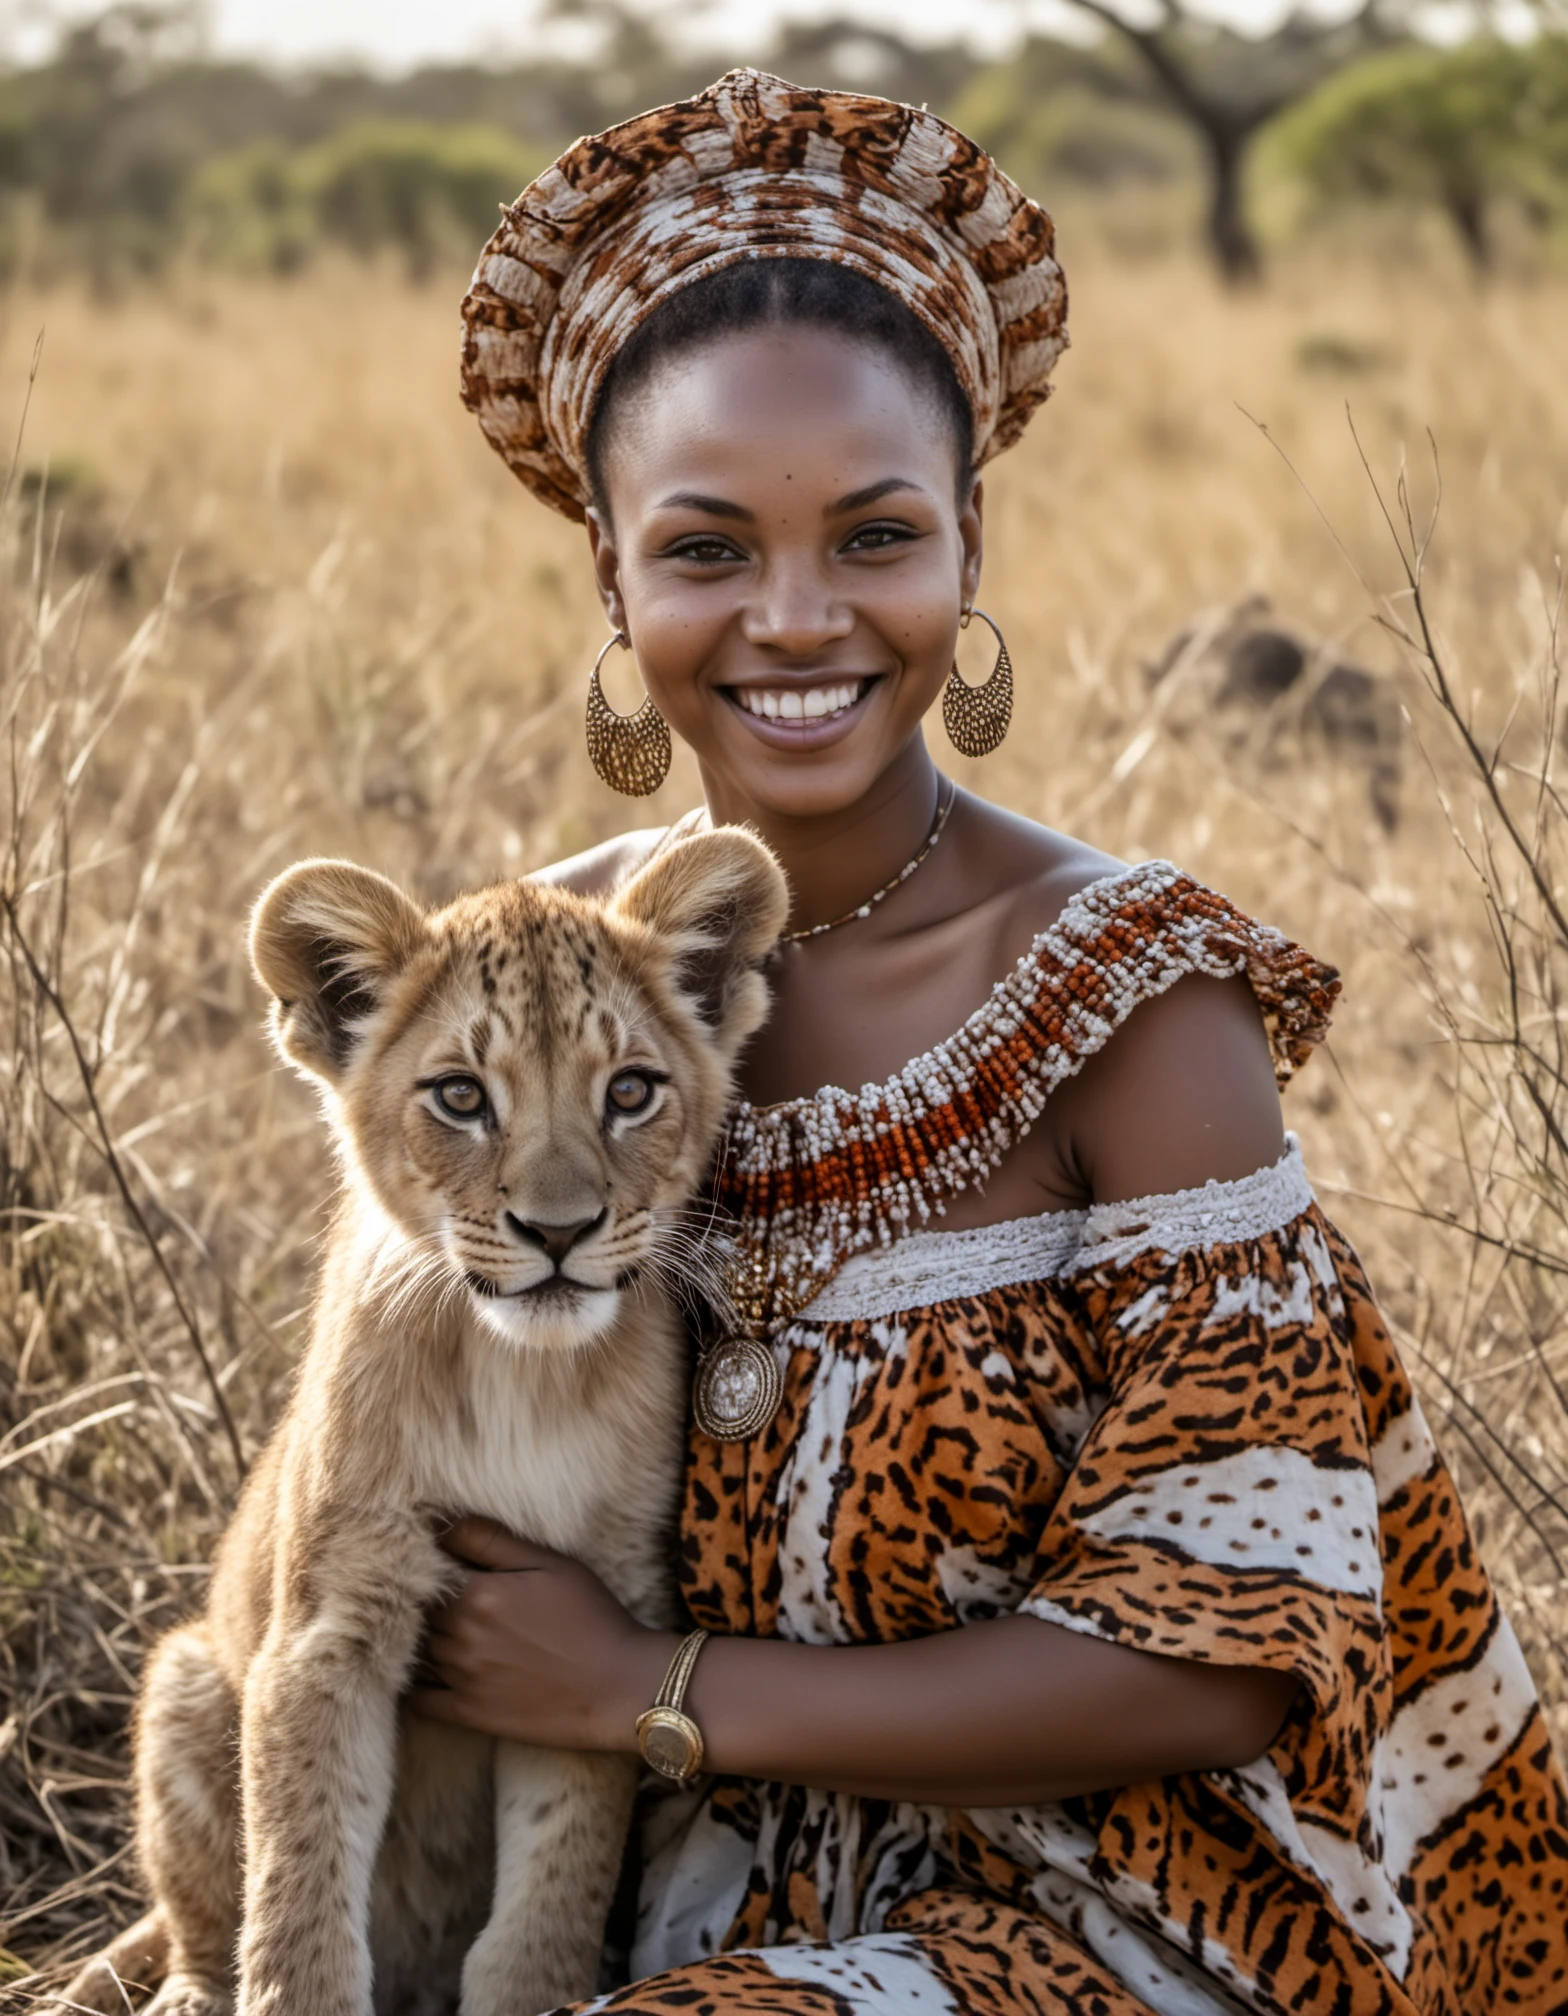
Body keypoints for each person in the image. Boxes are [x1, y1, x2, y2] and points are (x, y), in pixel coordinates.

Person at [413, 69, 1568, 2015]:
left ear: (969, 542)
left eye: (873, 537)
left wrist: (647, 1697)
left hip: (1151, 1910)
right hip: (659, 1885)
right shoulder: (548, 974)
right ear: (607, 575)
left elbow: (1214, 1662)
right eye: (705, 550)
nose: (797, 621)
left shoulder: (1125, 998)